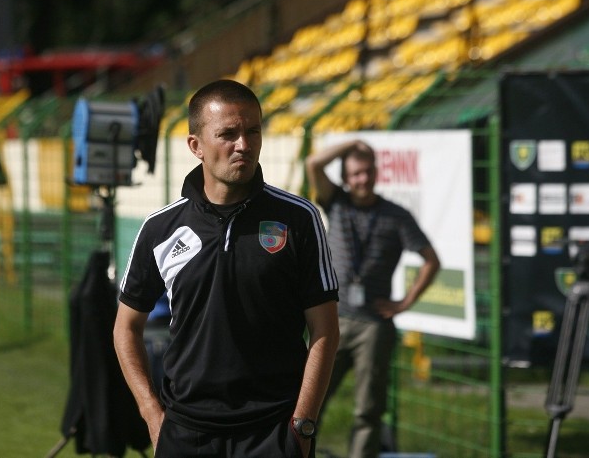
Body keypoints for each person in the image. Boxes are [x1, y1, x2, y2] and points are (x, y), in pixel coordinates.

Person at [113, 79, 339, 458]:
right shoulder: (160, 228)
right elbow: (126, 327)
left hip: (273, 433)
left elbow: (325, 330)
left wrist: (303, 424)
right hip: (186, 432)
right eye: (228, 134)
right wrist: (152, 413)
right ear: (195, 146)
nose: (244, 145)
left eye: (253, 131)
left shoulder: (298, 219)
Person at [305, 138, 440, 458]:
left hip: (374, 326)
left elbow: (431, 260)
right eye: (354, 174)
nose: (362, 179)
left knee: (368, 411)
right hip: (330, 320)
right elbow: (313, 165)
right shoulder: (335, 202)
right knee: (309, 403)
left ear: (376, 173)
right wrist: (352, 142)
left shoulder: (396, 215)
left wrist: (404, 303)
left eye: (367, 172)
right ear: (346, 178)